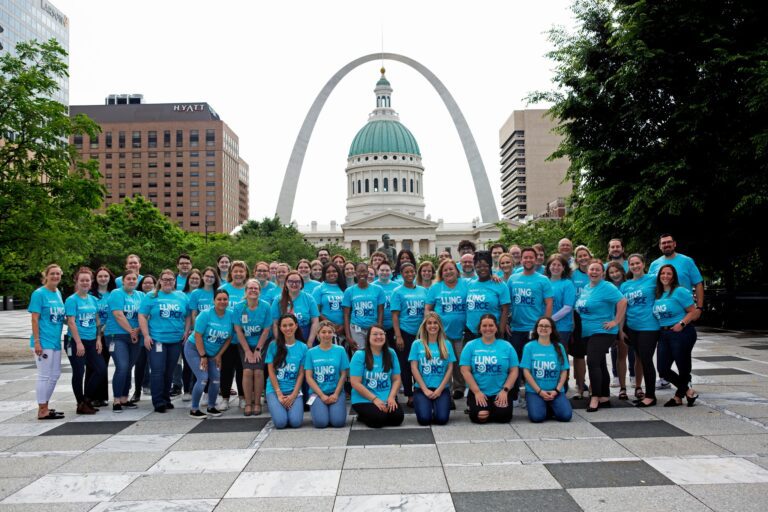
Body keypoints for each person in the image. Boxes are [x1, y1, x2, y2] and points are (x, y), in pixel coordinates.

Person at [574, 260, 627, 412]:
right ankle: (604, 396)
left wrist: (615, 321)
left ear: (603, 273)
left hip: (603, 331)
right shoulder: (586, 288)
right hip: (587, 332)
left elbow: (623, 301)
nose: (594, 272)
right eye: (592, 269)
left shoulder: (607, 287)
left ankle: (595, 397)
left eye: (597, 270)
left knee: (592, 362)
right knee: (600, 363)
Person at [138, 269, 191, 413]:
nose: (168, 282)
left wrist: (186, 331)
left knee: (169, 371)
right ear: (160, 281)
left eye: (171, 279)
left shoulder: (181, 296)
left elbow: (188, 316)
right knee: (157, 371)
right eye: (165, 279)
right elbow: (142, 316)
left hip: (175, 340)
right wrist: (146, 335)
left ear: (175, 281)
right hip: (157, 340)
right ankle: (158, 401)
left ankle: (166, 398)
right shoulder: (151, 296)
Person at [506, 247, 554, 402]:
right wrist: (506, 321)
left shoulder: (543, 280)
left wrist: (545, 325)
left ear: (536, 259)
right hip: (516, 328)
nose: (528, 260)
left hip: (534, 329)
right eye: (525, 257)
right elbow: (508, 303)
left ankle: (532, 394)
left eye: (531, 258)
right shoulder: (513, 278)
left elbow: (548, 303)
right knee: (515, 362)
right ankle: (513, 396)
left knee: (533, 363)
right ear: (520, 259)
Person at [653, 265, 699, 407]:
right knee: (663, 369)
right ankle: (688, 391)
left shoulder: (679, 291)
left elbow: (693, 311)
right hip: (664, 333)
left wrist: (682, 324)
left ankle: (678, 397)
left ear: (673, 277)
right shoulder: (657, 293)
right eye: (663, 273)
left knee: (682, 366)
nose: (665, 276)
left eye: (669, 274)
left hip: (681, 332)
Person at [460, 314, 519, 423]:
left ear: (496, 327)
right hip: (479, 391)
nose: (488, 328)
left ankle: (492, 408)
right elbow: (465, 370)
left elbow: (514, 371)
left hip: (500, 391)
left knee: (503, 417)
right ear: (480, 328)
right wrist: (477, 392)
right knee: (479, 417)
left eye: (491, 325)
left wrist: (505, 391)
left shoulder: (507, 346)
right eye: (484, 325)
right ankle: (480, 406)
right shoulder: (470, 345)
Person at [185, 289, 233, 418]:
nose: (222, 302)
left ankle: (211, 406)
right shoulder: (205, 314)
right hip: (195, 349)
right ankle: (194, 409)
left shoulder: (231, 315)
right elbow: (198, 336)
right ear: (214, 301)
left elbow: (228, 338)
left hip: (213, 353)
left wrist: (219, 355)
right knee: (203, 378)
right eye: (219, 299)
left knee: (216, 379)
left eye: (225, 299)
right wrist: (202, 356)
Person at [426, 259, 469, 402]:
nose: (449, 272)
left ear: (457, 271)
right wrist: (430, 326)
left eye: (451, 269)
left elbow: (482, 283)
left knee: (459, 361)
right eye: (445, 270)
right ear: (441, 273)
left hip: (462, 331)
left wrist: (495, 277)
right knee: (444, 361)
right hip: (442, 333)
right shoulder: (435, 288)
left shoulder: (467, 284)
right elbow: (428, 308)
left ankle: (459, 387)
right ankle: (445, 388)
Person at [65, 267, 106, 415]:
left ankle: (86, 399)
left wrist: (99, 339)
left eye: (87, 280)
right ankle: (80, 404)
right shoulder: (71, 300)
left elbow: (97, 320)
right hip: (76, 341)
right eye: (82, 280)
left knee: (101, 369)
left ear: (91, 282)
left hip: (91, 340)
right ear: (76, 281)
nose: (85, 283)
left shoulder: (93, 299)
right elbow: (71, 322)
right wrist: (79, 343)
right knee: (79, 372)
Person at [622, 254, 660, 406]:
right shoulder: (625, 285)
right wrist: (622, 328)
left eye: (638, 263)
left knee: (646, 359)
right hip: (632, 327)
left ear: (644, 264)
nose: (635, 266)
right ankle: (645, 391)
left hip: (649, 326)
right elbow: (623, 308)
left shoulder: (653, 279)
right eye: (632, 264)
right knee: (639, 358)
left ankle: (650, 396)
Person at [29, 264, 66, 420]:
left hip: (56, 341)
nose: (55, 276)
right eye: (52, 274)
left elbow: (59, 317)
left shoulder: (57, 293)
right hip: (43, 341)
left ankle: (45, 406)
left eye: (58, 274)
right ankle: (42, 409)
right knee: (44, 375)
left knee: (55, 374)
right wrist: (37, 341)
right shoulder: (39, 294)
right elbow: (34, 318)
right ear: (46, 275)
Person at [349, 325, 404, 428]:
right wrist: (375, 400)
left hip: (386, 398)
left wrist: (391, 397)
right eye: (375, 334)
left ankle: (381, 413)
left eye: (381, 334)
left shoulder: (391, 353)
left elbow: (396, 379)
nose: (379, 337)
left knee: (397, 419)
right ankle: (362, 416)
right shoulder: (360, 355)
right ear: (368, 337)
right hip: (364, 399)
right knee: (378, 420)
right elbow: (355, 383)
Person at [521, 317, 572, 422]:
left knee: (566, 416)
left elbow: (564, 371)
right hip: (535, 391)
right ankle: (541, 405)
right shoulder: (529, 347)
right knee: (537, 418)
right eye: (541, 325)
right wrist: (539, 391)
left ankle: (549, 405)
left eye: (547, 326)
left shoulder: (559, 347)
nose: (543, 328)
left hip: (555, 391)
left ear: (552, 329)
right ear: (536, 328)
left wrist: (557, 390)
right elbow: (526, 372)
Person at [409, 312, 456, 425]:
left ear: (440, 325)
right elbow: (414, 368)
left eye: (435, 323)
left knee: (442, 419)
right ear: (425, 325)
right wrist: (425, 389)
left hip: (442, 388)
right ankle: (427, 406)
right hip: (422, 388)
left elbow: (450, 369)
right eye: (429, 323)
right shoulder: (417, 344)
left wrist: (440, 390)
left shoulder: (447, 344)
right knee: (424, 420)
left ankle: (436, 406)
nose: (432, 326)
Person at [391, 262, 427, 407]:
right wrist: (398, 336)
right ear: (401, 274)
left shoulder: (424, 290)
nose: (410, 274)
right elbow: (395, 316)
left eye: (412, 271)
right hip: (405, 331)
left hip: (422, 333)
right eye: (406, 272)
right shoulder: (397, 292)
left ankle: (421, 390)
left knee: (420, 364)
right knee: (405, 365)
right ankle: (409, 394)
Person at [234, 279, 272, 416]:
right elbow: (238, 331)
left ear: (260, 291)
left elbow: (267, 330)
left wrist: (257, 350)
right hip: (244, 343)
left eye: (256, 288)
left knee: (258, 372)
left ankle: (257, 403)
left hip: (262, 343)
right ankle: (248, 403)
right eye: (250, 288)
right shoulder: (239, 307)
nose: (253, 290)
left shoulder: (266, 306)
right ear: (245, 291)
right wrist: (247, 351)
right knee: (247, 371)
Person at [105, 270, 142, 413]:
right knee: (122, 366)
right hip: (117, 335)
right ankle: (116, 400)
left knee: (129, 367)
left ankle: (125, 398)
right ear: (123, 280)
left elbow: (145, 315)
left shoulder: (140, 295)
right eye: (129, 279)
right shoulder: (116, 293)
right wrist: (131, 331)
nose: (132, 281)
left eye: (134, 279)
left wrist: (137, 330)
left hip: (135, 335)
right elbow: (118, 315)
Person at [265, 314, 308, 429]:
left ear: (296, 326)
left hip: (293, 390)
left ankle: (286, 408)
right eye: (284, 325)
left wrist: (293, 395)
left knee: (295, 423)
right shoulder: (273, 345)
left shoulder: (303, 347)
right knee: (280, 423)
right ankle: (278, 408)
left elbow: (301, 374)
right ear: (280, 328)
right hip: (275, 390)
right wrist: (279, 393)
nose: (288, 328)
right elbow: (271, 372)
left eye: (291, 325)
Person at [305, 321, 350, 428]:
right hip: (317, 393)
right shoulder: (311, 352)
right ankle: (321, 411)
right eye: (323, 332)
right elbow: (309, 377)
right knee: (321, 423)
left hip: (336, 392)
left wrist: (336, 394)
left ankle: (331, 411)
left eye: (330, 332)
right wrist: (321, 395)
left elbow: (344, 374)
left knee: (338, 423)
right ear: (318, 334)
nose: (327, 335)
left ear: (333, 334)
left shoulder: (340, 350)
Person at [218, 260, 249, 410]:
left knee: (242, 369)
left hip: (244, 338)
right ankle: (225, 398)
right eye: (235, 271)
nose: (238, 274)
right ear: (231, 273)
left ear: (245, 274)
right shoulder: (223, 289)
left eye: (241, 271)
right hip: (227, 338)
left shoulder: (248, 290)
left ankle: (242, 397)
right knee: (226, 370)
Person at [606, 260, 635, 400]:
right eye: (611, 272)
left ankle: (637, 383)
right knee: (620, 354)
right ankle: (622, 387)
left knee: (635, 354)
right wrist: (619, 328)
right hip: (616, 324)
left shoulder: (628, 284)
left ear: (622, 271)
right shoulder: (607, 286)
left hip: (632, 323)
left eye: (617, 271)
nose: (614, 274)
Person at [89, 266, 116, 408]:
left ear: (110, 278)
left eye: (106, 276)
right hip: (93, 335)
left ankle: (103, 397)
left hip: (109, 333)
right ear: (96, 279)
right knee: (93, 366)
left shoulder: (113, 294)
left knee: (104, 365)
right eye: (100, 276)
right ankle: (91, 396)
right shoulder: (91, 295)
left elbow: (116, 313)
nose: (103, 279)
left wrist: (105, 329)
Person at [343, 262, 385, 350]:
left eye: (364, 271)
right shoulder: (349, 291)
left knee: (375, 352)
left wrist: (379, 328)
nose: (362, 274)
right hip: (356, 328)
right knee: (360, 354)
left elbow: (380, 311)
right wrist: (348, 335)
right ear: (355, 273)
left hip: (373, 327)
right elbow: (346, 314)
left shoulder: (378, 289)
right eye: (359, 271)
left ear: (368, 273)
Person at [271, 270, 320, 346]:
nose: (294, 284)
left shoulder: (309, 298)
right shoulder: (278, 300)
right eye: (291, 281)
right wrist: (280, 343)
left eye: (297, 282)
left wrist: (310, 342)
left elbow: (315, 322)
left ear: (301, 284)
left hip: (305, 337)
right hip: (285, 338)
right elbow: (275, 323)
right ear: (286, 283)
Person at [569, 245, 593, 398]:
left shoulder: (596, 272)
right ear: (576, 259)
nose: (583, 258)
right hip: (577, 317)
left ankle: (594, 385)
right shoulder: (573, 275)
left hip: (593, 317)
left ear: (590, 256)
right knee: (578, 355)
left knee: (594, 354)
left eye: (585, 255)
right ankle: (580, 386)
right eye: (580, 256)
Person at [546, 254, 576, 369]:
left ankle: (563, 383)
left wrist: (549, 320)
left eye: (559, 265)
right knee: (547, 356)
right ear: (549, 266)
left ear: (564, 268)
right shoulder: (544, 282)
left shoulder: (567, 284)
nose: (556, 267)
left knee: (560, 355)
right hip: (544, 326)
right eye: (553, 264)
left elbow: (567, 307)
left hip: (562, 327)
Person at [130, 274, 156, 402]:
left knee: (156, 365)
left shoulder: (156, 297)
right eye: (145, 283)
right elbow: (141, 316)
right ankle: (137, 391)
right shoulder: (138, 297)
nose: (148, 285)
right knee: (140, 365)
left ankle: (157, 390)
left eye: (151, 283)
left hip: (155, 336)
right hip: (140, 338)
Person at [312, 263, 347, 343]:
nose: (331, 274)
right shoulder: (318, 289)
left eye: (334, 271)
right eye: (328, 272)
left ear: (338, 272)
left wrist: (343, 326)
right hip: (325, 329)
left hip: (343, 328)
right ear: (324, 274)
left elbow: (348, 310)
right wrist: (330, 324)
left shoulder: (344, 288)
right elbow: (316, 311)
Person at [373, 261, 399, 345]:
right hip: (377, 324)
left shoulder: (397, 286)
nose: (384, 272)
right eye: (382, 270)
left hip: (394, 325)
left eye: (387, 270)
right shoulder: (372, 286)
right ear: (377, 271)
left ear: (391, 272)